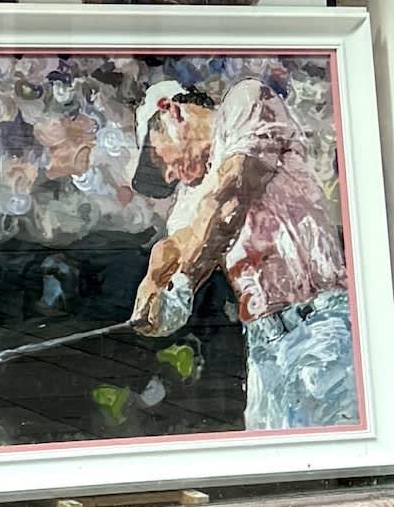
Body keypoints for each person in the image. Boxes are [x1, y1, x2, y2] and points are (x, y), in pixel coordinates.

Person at [126, 77, 357, 431]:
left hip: (320, 325)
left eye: (160, 160)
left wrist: (183, 284)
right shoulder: (192, 191)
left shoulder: (244, 103)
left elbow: (228, 200)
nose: (171, 175)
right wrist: (152, 284)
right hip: (265, 346)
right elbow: (176, 244)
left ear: (172, 113)